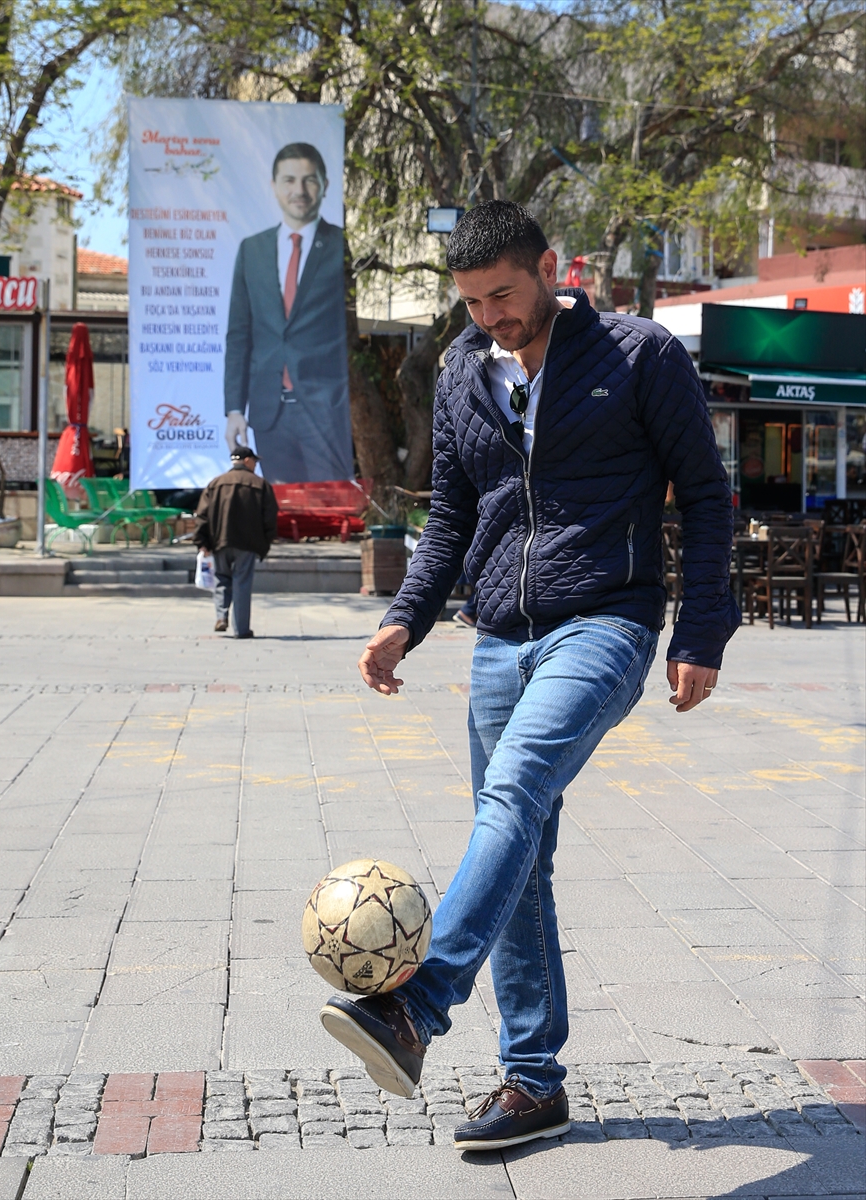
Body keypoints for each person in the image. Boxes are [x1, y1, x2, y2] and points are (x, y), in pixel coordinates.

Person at [318, 201, 741, 1151]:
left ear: (547, 267)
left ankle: (416, 1007)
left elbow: (707, 497)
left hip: (605, 621)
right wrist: (404, 620)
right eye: (471, 303)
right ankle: (532, 1082)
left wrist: (702, 629)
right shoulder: (464, 371)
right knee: (518, 855)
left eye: (502, 296)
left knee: (513, 790)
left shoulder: (638, 356)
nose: (490, 318)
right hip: (499, 635)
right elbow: (452, 522)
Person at [224, 141, 354, 484]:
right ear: (274, 186)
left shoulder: (340, 246)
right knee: (282, 510)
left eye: (309, 180)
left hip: (324, 410)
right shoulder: (252, 250)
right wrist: (235, 410)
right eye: (289, 180)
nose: (299, 190)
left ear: (324, 185)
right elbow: (239, 334)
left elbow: (351, 332)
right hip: (269, 412)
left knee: (326, 507)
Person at [194, 445, 279, 639]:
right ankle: (241, 629)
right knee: (242, 583)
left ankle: (221, 616)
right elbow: (270, 517)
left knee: (221, 579)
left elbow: (202, 515)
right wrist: (265, 543)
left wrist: (203, 541)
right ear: (247, 461)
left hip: (219, 541)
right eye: (254, 462)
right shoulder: (260, 484)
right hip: (247, 543)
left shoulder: (216, 483)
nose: (255, 465)